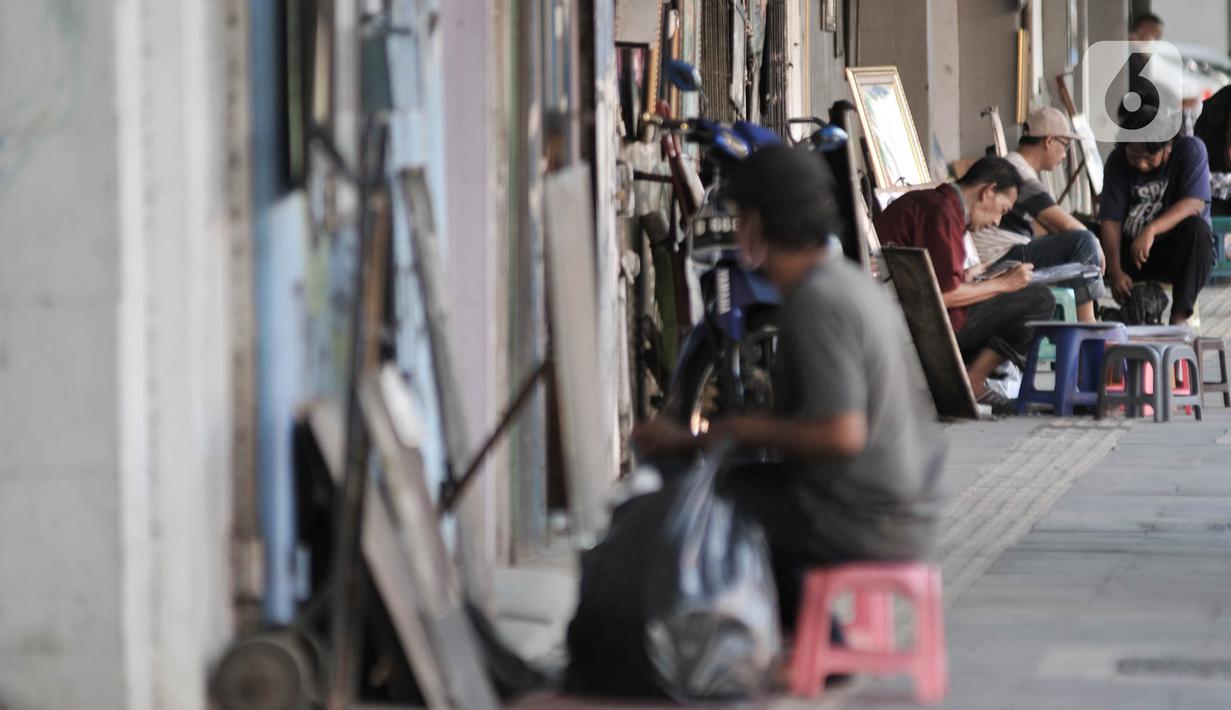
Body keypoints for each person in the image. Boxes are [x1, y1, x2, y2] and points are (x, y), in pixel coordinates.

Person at [631, 145, 945, 623]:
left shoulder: (817, 302)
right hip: (892, 507)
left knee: (698, 506)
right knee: (735, 486)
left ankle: (792, 639)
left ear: (757, 223)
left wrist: (732, 430)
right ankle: (811, 638)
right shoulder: (844, 282)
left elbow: (842, 433)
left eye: (741, 218)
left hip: (866, 519)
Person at [874, 156, 1055, 413]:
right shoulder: (942, 213)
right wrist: (1003, 284)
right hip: (921, 326)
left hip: (907, 314)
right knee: (1040, 299)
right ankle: (972, 382)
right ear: (988, 191)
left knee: (1017, 295)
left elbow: (937, 281)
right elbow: (945, 295)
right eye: (1003, 210)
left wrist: (969, 277)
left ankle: (973, 380)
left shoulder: (933, 203)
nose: (997, 222)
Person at [971, 107, 1106, 322]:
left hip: (1006, 253)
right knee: (1083, 241)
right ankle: (1088, 325)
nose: (1064, 155)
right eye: (1065, 145)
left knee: (1081, 241)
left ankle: (1081, 321)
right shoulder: (1016, 169)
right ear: (1049, 141)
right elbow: (1065, 225)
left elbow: (1052, 226)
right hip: (998, 258)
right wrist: (1095, 243)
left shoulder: (1017, 166)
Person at [1099, 104, 1215, 325]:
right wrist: (1115, 271)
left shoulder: (1190, 150)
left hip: (1175, 254)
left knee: (1197, 230)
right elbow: (1110, 220)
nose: (1141, 165)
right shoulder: (1117, 161)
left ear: (1167, 147)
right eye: (1134, 157)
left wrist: (1151, 230)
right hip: (1131, 255)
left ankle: (1179, 320)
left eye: (1149, 157)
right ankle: (1089, 319)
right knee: (1085, 238)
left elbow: (1194, 203)